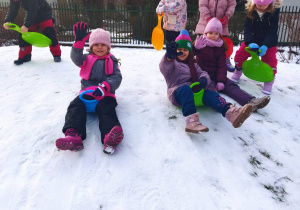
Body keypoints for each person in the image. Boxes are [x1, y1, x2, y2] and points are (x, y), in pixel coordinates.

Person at [159, 29, 253, 133]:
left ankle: (231, 113)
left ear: (189, 52)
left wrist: (203, 79)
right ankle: (191, 121)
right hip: (178, 93)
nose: (182, 52)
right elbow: (164, 68)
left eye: (185, 50)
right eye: (179, 49)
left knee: (211, 95)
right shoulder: (173, 64)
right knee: (185, 89)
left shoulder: (193, 64)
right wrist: (168, 58)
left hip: (195, 92)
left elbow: (202, 73)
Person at [55, 22, 123, 154]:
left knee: (107, 111)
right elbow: (76, 59)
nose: (99, 47)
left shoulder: (112, 61)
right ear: (91, 47)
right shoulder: (86, 59)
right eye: (96, 45)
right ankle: (73, 135)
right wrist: (78, 44)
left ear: (108, 47)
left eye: (103, 44)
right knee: (75, 106)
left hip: (105, 95)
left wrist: (105, 86)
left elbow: (117, 78)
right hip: (86, 95)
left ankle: (110, 136)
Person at [193, 18, 270, 112]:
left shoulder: (220, 46)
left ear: (220, 35)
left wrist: (221, 80)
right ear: (206, 32)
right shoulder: (200, 42)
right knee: (210, 92)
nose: (213, 36)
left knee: (231, 86)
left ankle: (251, 101)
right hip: (203, 76)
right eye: (211, 33)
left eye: (216, 33)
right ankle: (225, 109)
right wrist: (195, 48)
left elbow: (222, 65)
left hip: (216, 75)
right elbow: (187, 57)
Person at [231, 0, 283, 95]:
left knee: (270, 61)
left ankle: (269, 81)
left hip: (268, 42)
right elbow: (247, 28)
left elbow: (273, 31)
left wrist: (266, 45)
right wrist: (250, 42)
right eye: (258, 4)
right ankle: (237, 71)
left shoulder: (273, 12)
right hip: (252, 40)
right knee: (240, 54)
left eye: (264, 4)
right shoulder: (250, 11)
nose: (261, 7)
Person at [3, 0, 61, 65]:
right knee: (24, 36)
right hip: (31, 16)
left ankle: (57, 55)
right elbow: (13, 10)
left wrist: (26, 25)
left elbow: (33, 10)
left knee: (50, 33)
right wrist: (8, 21)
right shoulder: (14, 0)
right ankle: (25, 56)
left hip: (44, 14)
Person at [194, 0, 237, 72]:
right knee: (204, 42)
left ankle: (225, 59)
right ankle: (201, 60)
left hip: (222, 21)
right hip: (206, 21)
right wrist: (207, 16)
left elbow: (232, 4)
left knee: (223, 43)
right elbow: (202, 5)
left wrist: (227, 16)